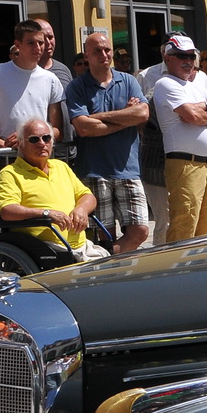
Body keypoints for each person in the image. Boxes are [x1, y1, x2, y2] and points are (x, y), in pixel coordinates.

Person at [65, 32, 150, 253]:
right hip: (94, 170)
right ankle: (110, 272)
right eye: (97, 51)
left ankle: (103, 259)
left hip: (128, 168)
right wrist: (125, 116)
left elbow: (142, 113)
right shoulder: (77, 87)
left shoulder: (129, 80)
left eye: (107, 49)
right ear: (87, 55)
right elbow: (83, 128)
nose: (104, 54)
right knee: (104, 232)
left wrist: (99, 117)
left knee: (140, 230)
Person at [151, 34, 207, 240]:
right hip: (185, 163)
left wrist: (203, 109)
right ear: (167, 58)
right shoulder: (165, 83)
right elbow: (193, 115)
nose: (188, 61)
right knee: (184, 224)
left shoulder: (195, 85)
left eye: (191, 56)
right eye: (180, 56)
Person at [0, 118, 105, 260]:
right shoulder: (10, 173)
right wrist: (46, 213)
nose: (42, 143)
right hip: (47, 249)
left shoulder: (61, 166)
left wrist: (82, 209)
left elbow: (87, 196)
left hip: (81, 245)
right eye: (34, 139)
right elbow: (7, 210)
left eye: (46, 138)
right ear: (21, 144)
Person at [0, 19, 64, 150]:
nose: (37, 48)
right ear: (17, 44)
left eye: (40, 43)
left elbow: (58, 130)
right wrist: (2, 145)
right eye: (31, 43)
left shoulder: (51, 79)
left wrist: (38, 138)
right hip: (8, 157)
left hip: (39, 155)